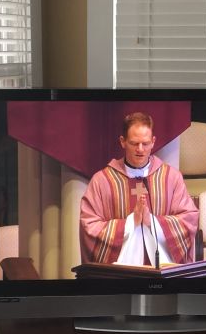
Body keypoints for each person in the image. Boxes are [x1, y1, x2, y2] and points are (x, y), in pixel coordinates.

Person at [79, 111, 199, 266]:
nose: (140, 149)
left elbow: (189, 218)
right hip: (120, 275)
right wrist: (130, 223)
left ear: (153, 141)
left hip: (161, 271)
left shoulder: (171, 177)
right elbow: (89, 225)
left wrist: (154, 223)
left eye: (146, 143)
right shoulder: (102, 181)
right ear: (122, 141)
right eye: (134, 143)